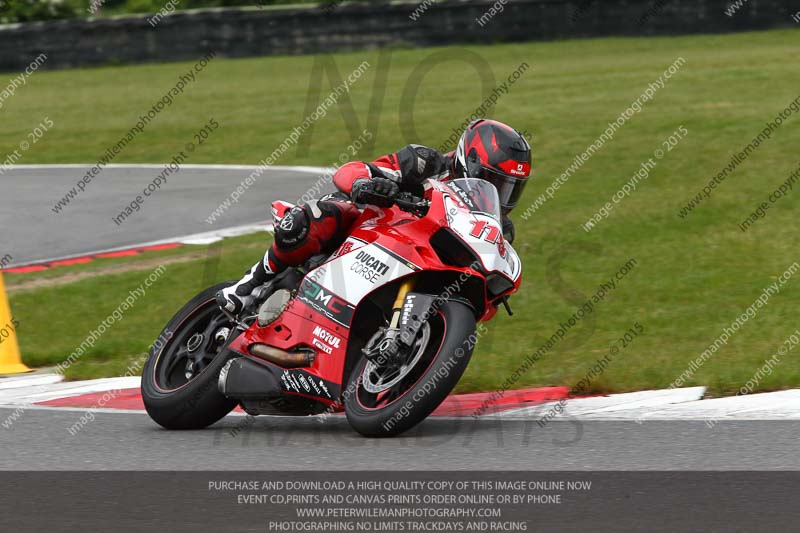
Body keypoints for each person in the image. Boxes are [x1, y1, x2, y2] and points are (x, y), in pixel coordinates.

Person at [216, 118, 532, 314]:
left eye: (510, 188)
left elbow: (482, 305)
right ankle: (248, 286)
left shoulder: (498, 230)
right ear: (469, 162)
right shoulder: (424, 163)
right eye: (495, 181)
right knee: (314, 219)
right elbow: (350, 171)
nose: (500, 194)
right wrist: (368, 184)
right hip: (370, 228)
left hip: (422, 264)